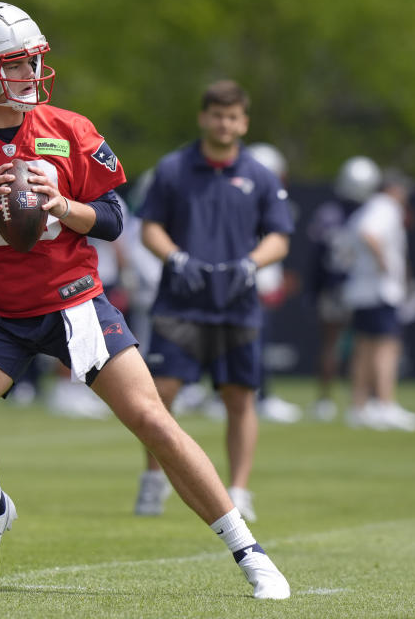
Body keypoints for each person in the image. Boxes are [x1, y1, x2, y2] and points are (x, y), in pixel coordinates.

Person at [0, 3, 290, 599]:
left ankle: (248, 549)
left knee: (151, 420)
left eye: (33, 58)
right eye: (13, 63)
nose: (31, 71)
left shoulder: (71, 129)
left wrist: (60, 206)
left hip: (74, 300)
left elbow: (113, 218)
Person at [134, 80, 295, 523]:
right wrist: (176, 257)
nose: (224, 124)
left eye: (233, 116)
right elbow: (149, 228)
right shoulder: (172, 169)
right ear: (204, 117)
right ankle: (153, 479)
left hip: (236, 304)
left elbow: (279, 238)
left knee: (240, 397)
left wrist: (250, 264)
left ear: (243, 122)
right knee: (159, 395)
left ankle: (239, 490)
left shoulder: (259, 175)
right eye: (217, 115)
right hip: (180, 302)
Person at [340, 168, 415, 431]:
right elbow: (369, 233)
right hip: (379, 290)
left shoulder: (367, 207)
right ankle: (385, 404)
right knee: (386, 347)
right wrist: (384, 264)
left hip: (363, 289)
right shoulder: (385, 207)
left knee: (365, 348)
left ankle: (359, 405)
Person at [305, 156, 381, 421]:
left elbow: (316, 257)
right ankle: (363, 400)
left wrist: (314, 289)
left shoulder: (328, 213)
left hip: (333, 287)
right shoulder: (371, 213)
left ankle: (326, 400)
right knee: (364, 345)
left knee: (331, 344)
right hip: (360, 287)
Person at [244, 142, 302, 424]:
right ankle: (259, 396)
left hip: (255, 278)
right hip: (251, 280)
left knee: (251, 343)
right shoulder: (252, 204)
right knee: (250, 343)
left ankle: (256, 394)